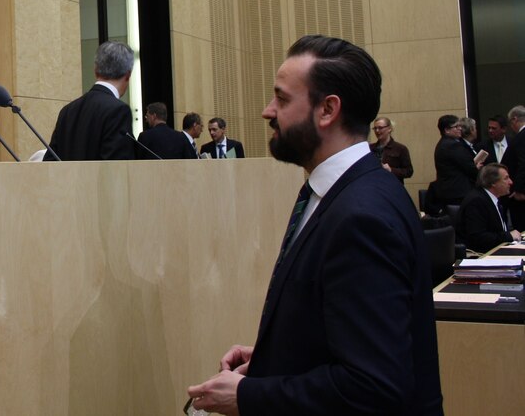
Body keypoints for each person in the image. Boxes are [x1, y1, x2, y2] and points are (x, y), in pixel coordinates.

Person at [187, 35, 442, 415]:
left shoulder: (362, 216)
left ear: (327, 110)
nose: (267, 111)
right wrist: (276, 357)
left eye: (283, 99)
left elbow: (372, 387)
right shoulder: (349, 190)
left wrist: (246, 397)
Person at [43, 41, 134, 161]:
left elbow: (50, 161)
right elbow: (117, 167)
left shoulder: (67, 110)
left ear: (95, 70)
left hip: (68, 180)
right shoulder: (119, 111)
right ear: (128, 75)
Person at [458, 163, 521, 252]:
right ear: (493, 182)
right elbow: (478, 237)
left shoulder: (493, 198)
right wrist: (508, 236)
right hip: (479, 255)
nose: (511, 182)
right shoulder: (476, 201)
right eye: (506, 178)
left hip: (497, 249)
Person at [433, 114, 479, 206]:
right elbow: (469, 167)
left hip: (450, 191)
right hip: (458, 192)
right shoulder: (452, 145)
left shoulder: (443, 143)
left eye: (460, 126)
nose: (460, 129)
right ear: (447, 130)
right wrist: (476, 167)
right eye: (456, 126)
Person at [369, 116, 413, 182]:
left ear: (389, 129)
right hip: (374, 186)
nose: (377, 131)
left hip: (393, 187)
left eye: (380, 128)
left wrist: (391, 170)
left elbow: (409, 172)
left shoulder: (400, 149)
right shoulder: (370, 148)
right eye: (375, 128)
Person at [504, 106, 525, 226]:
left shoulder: (521, 137)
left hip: (520, 195)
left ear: (514, 119)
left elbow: (523, 164)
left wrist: (520, 190)